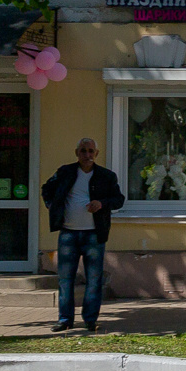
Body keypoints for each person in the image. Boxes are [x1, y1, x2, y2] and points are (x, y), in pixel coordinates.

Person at [40, 137, 126, 334]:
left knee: (94, 279)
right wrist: (53, 207)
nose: (87, 155)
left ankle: (90, 320)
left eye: (90, 151)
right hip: (68, 234)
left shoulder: (106, 176)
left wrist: (102, 203)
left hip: (94, 235)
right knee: (65, 278)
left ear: (96, 154)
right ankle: (65, 320)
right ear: (76, 153)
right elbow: (47, 189)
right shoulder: (65, 172)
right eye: (83, 151)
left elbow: (119, 199)